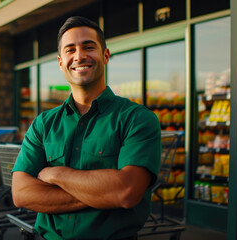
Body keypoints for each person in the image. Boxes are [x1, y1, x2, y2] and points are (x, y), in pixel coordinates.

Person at [11, 16, 161, 240]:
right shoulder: (43, 124)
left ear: (105, 55)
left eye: (88, 47)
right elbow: (21, 193)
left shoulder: (137, 119)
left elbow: (127, 192)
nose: (79, 56)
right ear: (61, 62)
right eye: (70, 50)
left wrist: (56, 174)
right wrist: (104, 193)